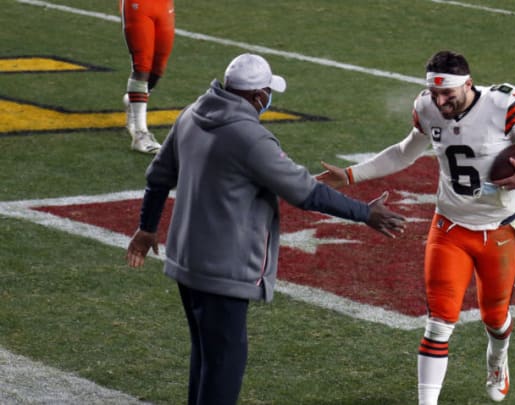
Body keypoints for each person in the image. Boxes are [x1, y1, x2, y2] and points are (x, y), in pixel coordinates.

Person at [125, 53, 406, 405]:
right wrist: (365, 212)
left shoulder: (192, 113)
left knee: (206, 356)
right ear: (259, 96)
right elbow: (307, 193)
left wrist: (147, 228)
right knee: (225, 364)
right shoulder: (251, 139)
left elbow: (157, 177)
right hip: (225, 268)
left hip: (187, 262)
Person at [318, 50, 515, 403]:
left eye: (447, 94)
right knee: (438, 323)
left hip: (499, 231)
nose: (440, 102)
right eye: (434, 94)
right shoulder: (427, 106)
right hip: (449, 229)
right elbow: (406, 151)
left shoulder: (503, 105)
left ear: (468, 84)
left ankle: (498, 360)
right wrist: (351, 174)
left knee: (495, 319)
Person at [120, 0, 175, 154]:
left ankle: (133, 100)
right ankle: (140, 134)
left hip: (163, 5)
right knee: (142, 65)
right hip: (139, 5)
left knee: (158, 66)